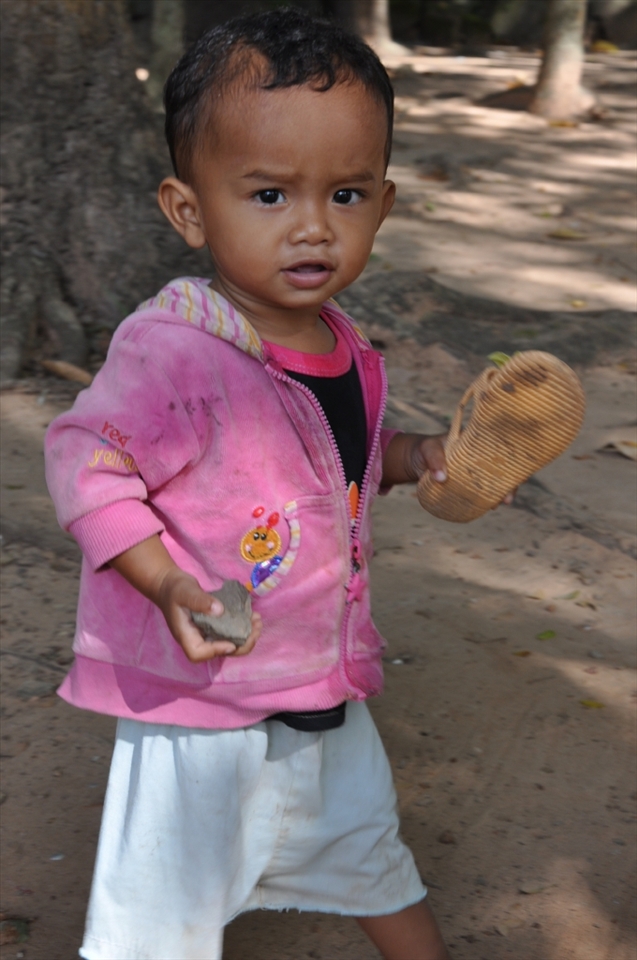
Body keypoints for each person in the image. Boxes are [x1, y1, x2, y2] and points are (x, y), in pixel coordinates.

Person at [45, 8, 453, 959]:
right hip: (200, 703)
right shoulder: (174, 353)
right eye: (268, 195)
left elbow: (340, 456)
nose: (313, 226)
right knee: (166, 919)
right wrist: (169, 584)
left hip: (318, 674)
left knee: (368, 850)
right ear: (189, 211)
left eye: (346, 194)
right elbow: (86, 463)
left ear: (382, 205)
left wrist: (412, 455)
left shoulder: (342, 344)